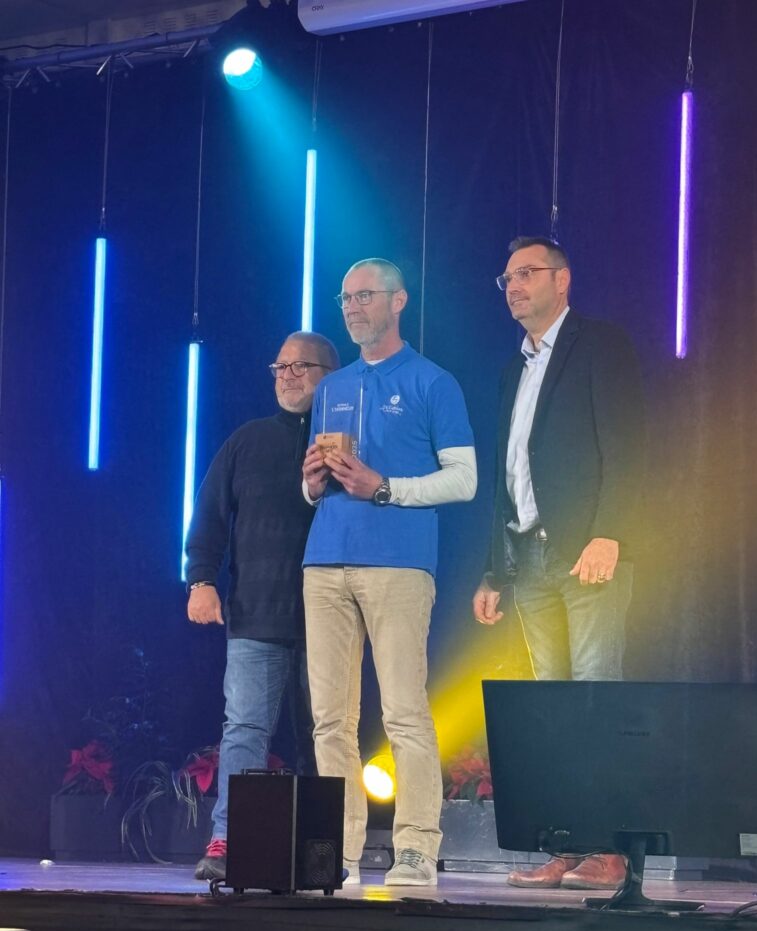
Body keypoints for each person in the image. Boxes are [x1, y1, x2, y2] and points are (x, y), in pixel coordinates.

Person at [473, 236, 645, 891]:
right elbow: (507, 476)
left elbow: (627, 447)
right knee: (555, 709)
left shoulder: (599, 345)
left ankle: (611, 851)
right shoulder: (511, 370)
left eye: (527, 273)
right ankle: (569, 845)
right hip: (530, 558)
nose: (514, 286)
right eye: (507, 278)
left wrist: (610, 533)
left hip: (584, 553)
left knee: (597, 700)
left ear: (562, 279)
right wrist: (495, 570)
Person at [302, 258, 477, 886]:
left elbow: (464, 480)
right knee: (330, 720)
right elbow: (318, 487)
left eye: (365, 296)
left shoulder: (433, 382)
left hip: (399, 563)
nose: (352, 307)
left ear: (398, 301)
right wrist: (310, 483)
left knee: (403, 712)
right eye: (345, 298)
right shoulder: (332, 387)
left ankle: (416, 850)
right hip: (325, 561)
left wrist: (385, 489)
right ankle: (337, 852)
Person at [186, 330, 339, 882]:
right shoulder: (247, 440)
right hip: (257, 613)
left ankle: (325, 849)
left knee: (326, 734)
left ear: (330, 376)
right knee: (245, 730)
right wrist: (201, 579)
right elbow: (208, 515)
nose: (287, 376)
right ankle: (229, 840)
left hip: (333, 616)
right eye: (280, 367)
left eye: (300, 367)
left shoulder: (350, 444)